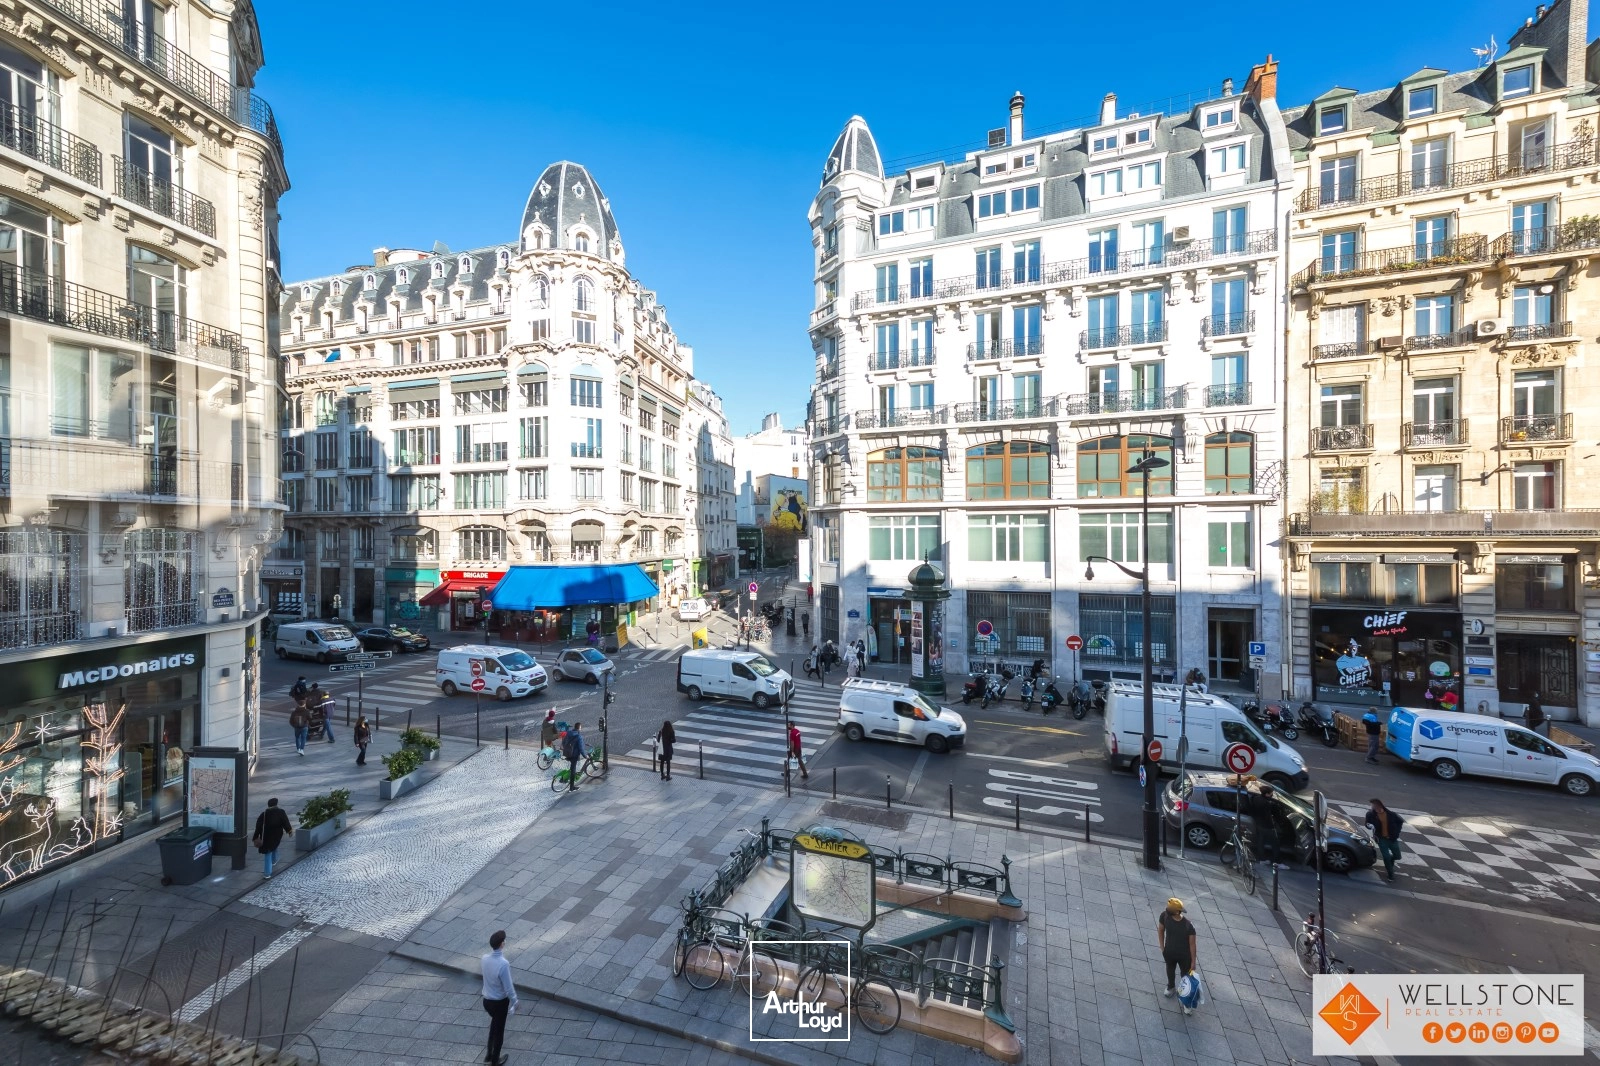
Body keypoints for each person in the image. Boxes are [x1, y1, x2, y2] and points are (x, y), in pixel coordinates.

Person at [480, 929, 517, 1066]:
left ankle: (489, 1055)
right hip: (499, 1003)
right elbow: (508, 987)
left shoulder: (484, 958)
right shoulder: (503, 964)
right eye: (504, 941)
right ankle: (495, 1060)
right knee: (499, 1031)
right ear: (502, 944)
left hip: (487, 1001)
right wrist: (515, 1001)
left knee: (494, 1026)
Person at [1156, 897, 1198, 1014]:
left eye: (1170, 908)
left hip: (1184, 956)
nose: (1167, 908)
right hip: (1169, 952)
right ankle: (1171, 987)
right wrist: (1162, 947)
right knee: (1170, 970)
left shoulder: (1188, 926)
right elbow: (1160, 930)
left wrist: (1193, 961)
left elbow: (1192, 944)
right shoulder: (1164, 916)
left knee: (1185, 978)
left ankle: (1186, 1002)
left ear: (1177, 911)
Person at [1365, 798, 1405, 882]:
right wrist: (1369, 826)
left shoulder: (1391, 814)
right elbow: (1367, 824)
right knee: (1386, 857)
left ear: (1380, 805)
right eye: (1372, 805)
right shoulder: (1370, 814)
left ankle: (1391, 861)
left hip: (1392, 839)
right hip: (1381, 839)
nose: (1373, 807)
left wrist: (1397, 832)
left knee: (1397, 856)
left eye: (1374, 805)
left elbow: (1400, 821)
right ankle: (1390, 873)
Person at [252, 798, 293, 879]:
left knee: (268, 852)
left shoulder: (264, 814)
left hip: (266, 836)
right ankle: (272, 864)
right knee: (274, 846)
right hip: (277, 835)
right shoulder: (281, 812)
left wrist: (256, 836)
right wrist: (289, 831)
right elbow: (285, 822)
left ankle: (268, 873)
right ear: (276, 804)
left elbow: (258, 827)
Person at [562, 722, 587, 792]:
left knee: (571, 768)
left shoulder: (568, 733)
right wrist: (585, 756)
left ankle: (563, 779)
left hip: (567, 753)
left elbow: (563, 742)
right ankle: (572, 787)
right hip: (574, 755)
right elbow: (581, 748)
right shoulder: (579, 737)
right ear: (579, 728)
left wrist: (567, 749)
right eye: (581, 727)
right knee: (573, 770)